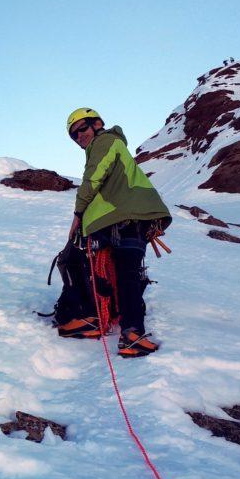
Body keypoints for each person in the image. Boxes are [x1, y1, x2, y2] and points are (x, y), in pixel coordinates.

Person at [64, 107, 171, 358]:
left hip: (122, 218)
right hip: (125, 218)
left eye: (81, 128)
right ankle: (125, 330)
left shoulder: (106, 141)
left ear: (97, 124)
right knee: (123, 273)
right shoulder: (108, 145)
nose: (79, 136)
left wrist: (78, 214)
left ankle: (99, 320)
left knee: (101, 267)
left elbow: (93, 179)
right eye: (73, 135)